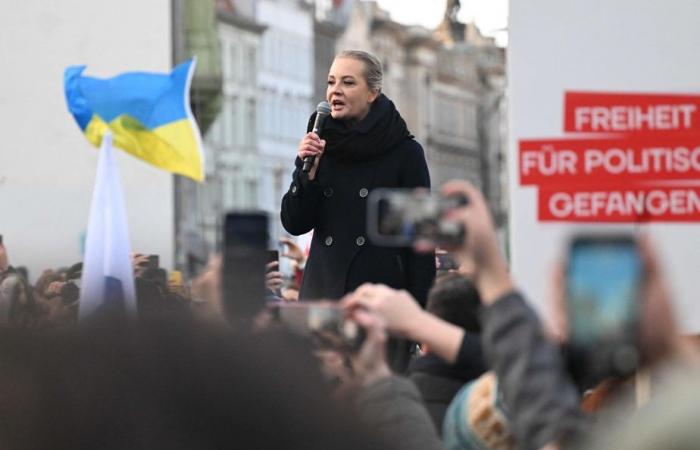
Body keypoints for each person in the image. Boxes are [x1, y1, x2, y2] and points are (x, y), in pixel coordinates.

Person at [281, 50, 435, 371]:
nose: (335, 91)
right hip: (324, 299)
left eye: (348, 82)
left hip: (379, 306)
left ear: (372, 93)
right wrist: (306, 176)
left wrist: (419, 319)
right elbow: (295, 222)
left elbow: (419, 245)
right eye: (331, 82)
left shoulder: (404, 152)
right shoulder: (319, 143)